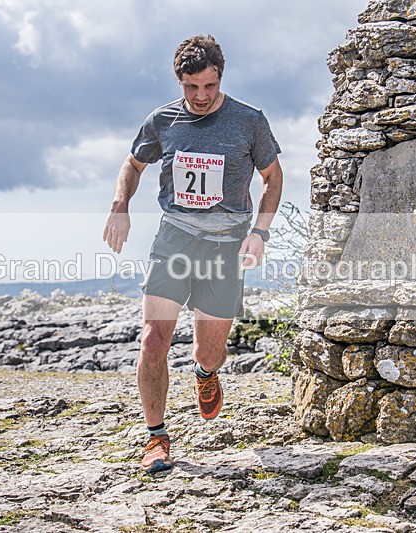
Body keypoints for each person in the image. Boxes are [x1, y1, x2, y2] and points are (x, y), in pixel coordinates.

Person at [102, 34, 283, 474]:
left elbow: (273, 178)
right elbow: (133, 164)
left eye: (209, 86)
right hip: (175, 239)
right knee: (152, 340)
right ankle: (156, 437)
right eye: (191, 87)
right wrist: (120, 204)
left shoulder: (249, 121)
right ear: (178, 81)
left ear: (221, 78)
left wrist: (259, 232)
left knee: (208, 353)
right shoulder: (162, 120)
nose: (201, 96)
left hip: (226, 245)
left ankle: (205, 375)